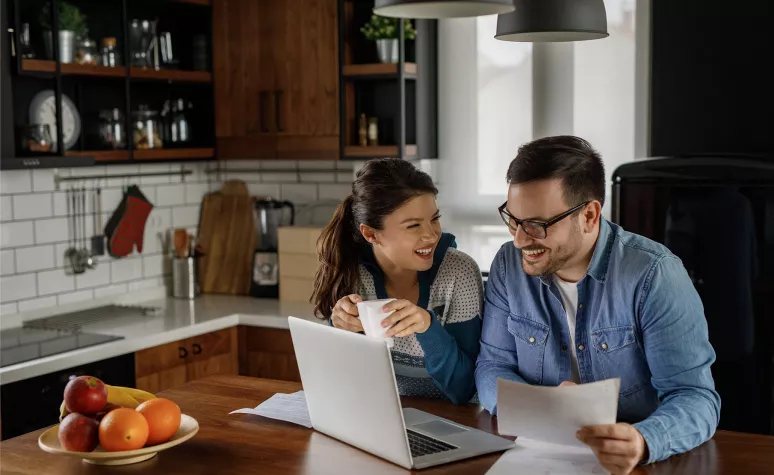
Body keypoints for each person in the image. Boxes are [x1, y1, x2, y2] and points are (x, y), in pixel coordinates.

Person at [475, 136, 720, 475]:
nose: (519, 239)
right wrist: (546, 409)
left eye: (536, 224)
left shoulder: (654, 275)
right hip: (538, 455)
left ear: (589, 215)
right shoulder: (508, 264)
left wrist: (642, 440)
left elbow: (695, 397)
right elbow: (492, 365)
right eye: (512, 220)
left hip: (630, 462)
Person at [312, 158, 483, 404]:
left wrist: (428, 327)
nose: (432, 235)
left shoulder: (458, 272)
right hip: (381, 416)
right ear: (370, 234)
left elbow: (464, 389)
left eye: (434, 219)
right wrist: (338, 329)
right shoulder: (352, 271)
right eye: (413, 226)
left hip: (452, 420)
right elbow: (342, 381)